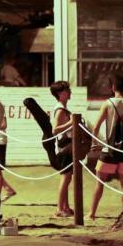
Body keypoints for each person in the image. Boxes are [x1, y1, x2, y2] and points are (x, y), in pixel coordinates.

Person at [88, 74, 123, 220]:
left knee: (100, 181)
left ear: (113, 87)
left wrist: (95, 144)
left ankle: (92, 213)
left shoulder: (108, 103)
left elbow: (96, 127)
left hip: (109, 149)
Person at [48, 81, 75, 217]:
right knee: (65, 178)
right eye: (67, 90)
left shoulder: (62, 109)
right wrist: (71, 123)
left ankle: (66, 207)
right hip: (64, 147)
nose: (69, 92)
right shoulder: (60, 110)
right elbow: (55, 130)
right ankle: (60, 208)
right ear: (60, 93)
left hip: (67, 147)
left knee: (68, 178)